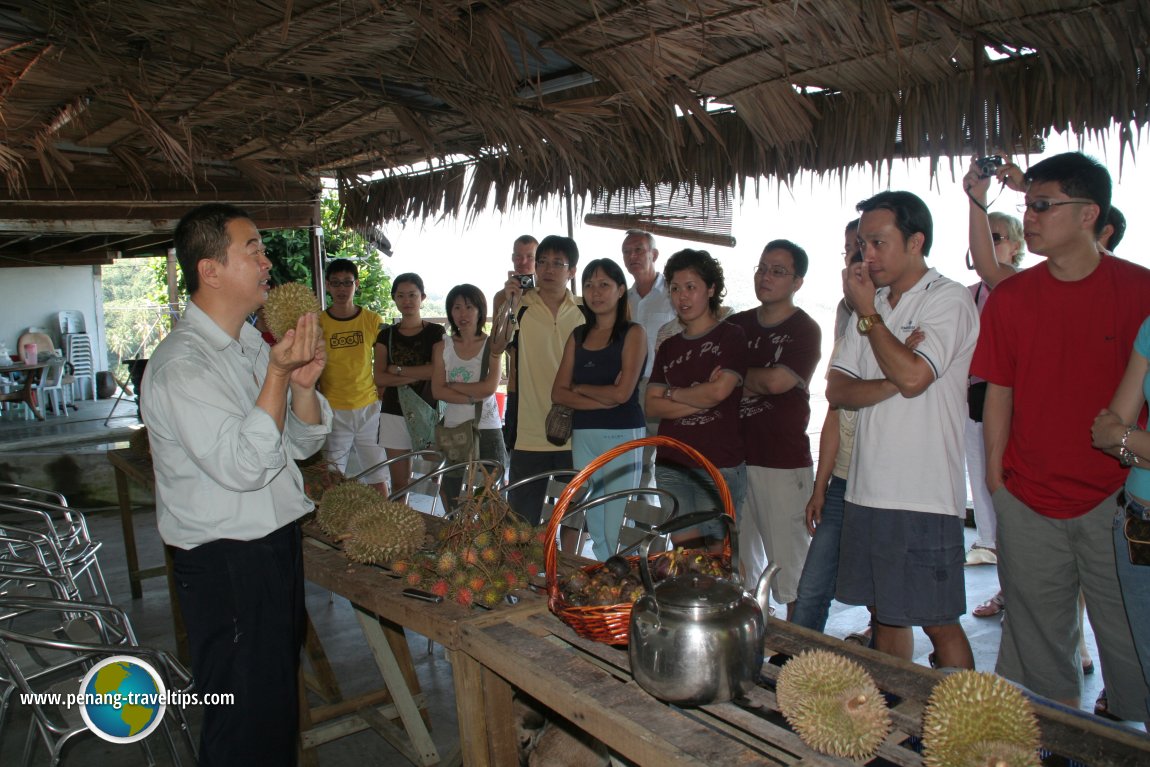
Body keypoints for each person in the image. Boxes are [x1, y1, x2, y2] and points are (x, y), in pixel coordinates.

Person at [141, 203, 332, 765]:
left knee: (272, 711)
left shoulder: (249, 344)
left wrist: (298, 386)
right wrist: (276, 376)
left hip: (273, 546)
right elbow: (244, 467)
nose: (266, 260)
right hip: (227, 562)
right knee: (241, 723)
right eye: (252, 249)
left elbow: (296, 448)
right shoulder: (183, 366)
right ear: (211, 269)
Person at [972, 152, 1150, 719]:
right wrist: (997, 477)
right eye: (1028, 205)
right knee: (1035, 638)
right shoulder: (1013, 298)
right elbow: (998, 390)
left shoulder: (1141, 291)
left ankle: (1125, 731)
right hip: (1027, 498)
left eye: (1043, 206)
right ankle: (1053, 740)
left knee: (1127, 636)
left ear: (1088, 214)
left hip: (1116, 500)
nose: (1030, 217)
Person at [828, 190, 978, 669]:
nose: (866, 256)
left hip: (923, 494)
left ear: (916, 241)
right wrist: (892, 375)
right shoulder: (875, 307)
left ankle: (963, 734)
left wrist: (871, 320)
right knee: (886, 615)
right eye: (861, 245)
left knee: (937, 620)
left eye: (877, 243)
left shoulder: (947, 299)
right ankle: (895, 713)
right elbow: (836, 389)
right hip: (867, 490)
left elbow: (915, 376)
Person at [729, 239, 821, 618]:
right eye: (762, 268)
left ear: (798, 281)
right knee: (741, 571)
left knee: (792, 572)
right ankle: (750, 646)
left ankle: (798, 658)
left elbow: (777, 383)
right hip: (734, 460)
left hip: (782, 463)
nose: (766, 277)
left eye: (778, 271)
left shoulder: (805, 329)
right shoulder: (736, 325)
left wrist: (734, 377)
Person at [645, 248, 747, 549]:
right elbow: (651, 404)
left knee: (719, 558)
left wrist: (672, 394)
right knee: (686, 558)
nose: (682, 297)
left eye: (691, 287)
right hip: (671, 463)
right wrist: (699, 396)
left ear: (711, 289)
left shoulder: (732, 336)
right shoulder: (669, 346)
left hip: (717, 463)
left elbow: (718, 392)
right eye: (675, 288)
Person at [792, 221, 862, 633]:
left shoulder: (912, 312)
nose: (857, 256)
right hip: (843, 478)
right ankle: (795, 670)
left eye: (868, 245)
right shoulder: (845, 311)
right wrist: (821, 487)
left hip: (888, 483)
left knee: (894, 606)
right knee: (813, 586)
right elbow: (836, 399)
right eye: (851, 247)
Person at [552, 258, 646, 559]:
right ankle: (603, 582)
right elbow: (558, 392)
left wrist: (579, 389)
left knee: (616, 522)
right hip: (584, 435)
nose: (596, 292)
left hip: (621, 434)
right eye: (589, 285)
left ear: (621, 290)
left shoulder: (633, 333)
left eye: (604, 284)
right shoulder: (578, 336)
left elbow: (623, 393)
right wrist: (603, 395)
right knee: (593, 517)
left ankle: (622, 588)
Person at [1091, 314, 1150, 723]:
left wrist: (1128, 440)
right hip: (1138, 523)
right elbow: (1104, 431)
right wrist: (1129, 442)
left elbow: (1119, 433)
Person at [502, 235, 585, 523]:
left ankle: (570, 568)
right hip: (528, 433)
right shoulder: (520, 306)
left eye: (558, 263)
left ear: (572, 271)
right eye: (543, 262)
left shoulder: (585, 311)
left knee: (574, 518)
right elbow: (496, 346)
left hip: (576, 433)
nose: (548, 270)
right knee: (520, 521)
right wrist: (508, 304)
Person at [430, 284, 508, 508]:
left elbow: (489, 388)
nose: (462, 314)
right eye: (456, 307)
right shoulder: (442, 347)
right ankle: (456, 538)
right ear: (450, 312)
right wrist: (471, 396)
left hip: (487, 428)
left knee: (491, 493)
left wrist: (453, 384)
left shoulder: (491, 345)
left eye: (469, 307)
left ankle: (490, 541)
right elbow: (437, 391)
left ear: (480, 311)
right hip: (454, 428)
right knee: (451, 491)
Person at [316, 258, 388, 492]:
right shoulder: (318, 323)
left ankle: (385, 525)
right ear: (327, 286)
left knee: (378, 476)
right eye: (335, 283)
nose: (341, 289)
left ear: (356, 284)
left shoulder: (371, 320)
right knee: (331, 478)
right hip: (333, 410)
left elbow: (388, 359)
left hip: (368, 409)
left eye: (347, 283)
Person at [373, 273, 446, 492]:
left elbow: (436, 370)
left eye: (412, 295)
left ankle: (445, 525)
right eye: (401, 295)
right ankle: (401, 525)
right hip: (393, 411)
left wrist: (397, 370)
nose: (407, 301)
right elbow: (379, 377)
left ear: (422, 297)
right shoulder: (385, 335)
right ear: (394, 298)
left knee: (438, 478)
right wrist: (418, 374)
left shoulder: (436, 331)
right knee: (399, 483)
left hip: (429, 410)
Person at [622, 230, 677, 485]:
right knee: (636, 464)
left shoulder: (673, 293)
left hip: (665, 389)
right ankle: (639, 523)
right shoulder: (623, 298)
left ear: (654, 254)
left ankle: (670, 522)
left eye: (638, 250)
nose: (632, 256)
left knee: (670, 462)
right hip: (631, 390)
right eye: (627, 251)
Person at [494, 235, 538, 452]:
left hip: (546, 385)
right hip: (516, 385)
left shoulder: (548, 295)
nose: (523, 262)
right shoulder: (502, 297)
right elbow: (498, 343)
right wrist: (512, 302)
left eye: (530, 256)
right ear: (512, 259)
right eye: (518, 256)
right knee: (517, 449)